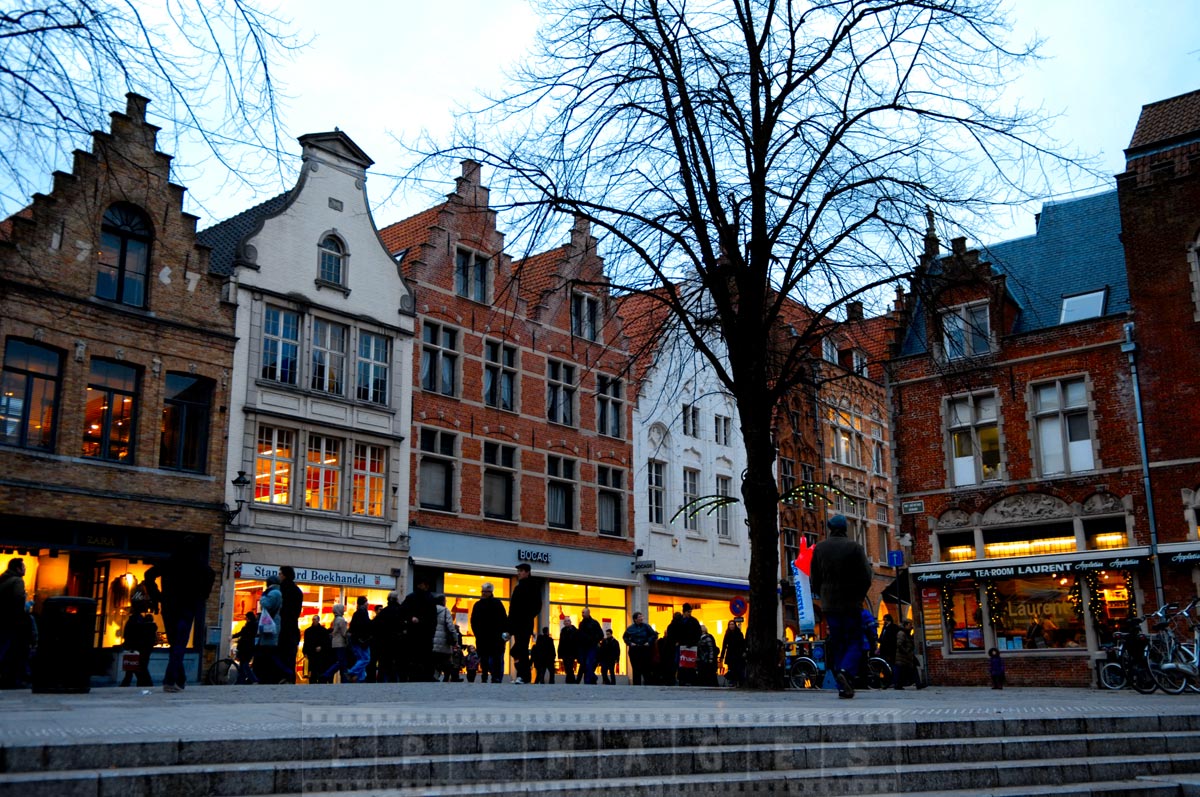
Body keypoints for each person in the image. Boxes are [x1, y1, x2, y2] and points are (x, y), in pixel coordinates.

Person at [809, 514, 872, 699]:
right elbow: (866, 575)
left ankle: (843, 684)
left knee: (838, 642)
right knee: (855, 641)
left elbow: (814, 578)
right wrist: (859, 595)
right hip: (851, 603)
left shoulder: (820, 548)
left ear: (830, 528)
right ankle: (846, 672)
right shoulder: (855, 548)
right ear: (845, 529)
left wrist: (823, 595)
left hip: (830, 604)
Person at [144, 546, 216, 693]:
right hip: (187, 607)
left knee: (175, 643)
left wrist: (157, 596)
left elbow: (149, 574)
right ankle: (172, 680)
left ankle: (179, 679)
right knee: (179, 643)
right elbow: (211, 574)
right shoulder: (198, 564)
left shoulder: (170, 562)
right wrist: (202, 596)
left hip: (170, 606)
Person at [508, 563, 542, 684]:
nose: (519, 573)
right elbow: (512, 608)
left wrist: (528, 616)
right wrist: (509, 625)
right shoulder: (518, 588)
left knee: (520, 649)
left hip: (525, 624)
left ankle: (522, 675)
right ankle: (524, 675)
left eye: (521, 571)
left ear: (527, 572)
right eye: (518, 571)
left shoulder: (534, 586)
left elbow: (538, 606)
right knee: (518, 650)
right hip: (517, 624)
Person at [0, 558, 30, 689]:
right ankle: (13, 679)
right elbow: (18, 600)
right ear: (18, 569)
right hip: (11, 621)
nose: (25, 569)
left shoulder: (3, 579)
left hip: (2, 620)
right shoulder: (17, 581)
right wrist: (23, 614)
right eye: (23, 567)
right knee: (13, 650)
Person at [470, 582, 508, 684]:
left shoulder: (496, 604)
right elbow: (473, 621)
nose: (483, 593)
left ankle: (494, 677)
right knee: (485, 658)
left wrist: (503, 634)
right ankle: (485, 676)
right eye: (482, 591)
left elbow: (504, 620)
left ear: (490, 592)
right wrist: (477, 633)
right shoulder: (478, 605)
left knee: (494, 658)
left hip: (494, 637)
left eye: (485, 592)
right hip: (484, 636)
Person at [399, 580, 438, 681]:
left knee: (422, 654)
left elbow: (433, 617)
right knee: (419, 654)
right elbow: (402, 611)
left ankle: (423, 675)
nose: (425, 586)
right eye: (424, 584)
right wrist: (411, 618)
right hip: (417, 632)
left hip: (422, 631)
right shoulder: (414, 597)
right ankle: (420, 675)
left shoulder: (428, 598)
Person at [253, 575, 284, 684]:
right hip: (270, 626)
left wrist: (262, 597)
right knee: (267, 654)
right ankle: (267, 677)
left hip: (270, 627)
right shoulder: (275, 592)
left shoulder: (274, 593)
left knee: (267, 654)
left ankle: (269, 677)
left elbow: (266, 604)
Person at [276, 566, 303, 684]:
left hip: (281, 628)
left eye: (280, 574)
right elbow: (297, 612)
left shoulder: (280, 590)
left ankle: (281, 676)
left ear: (284, 575)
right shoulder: (297, 591)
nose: (279, 576)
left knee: (279, 654)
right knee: (290, 657)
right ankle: (289, 678)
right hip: (292, 628)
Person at [119, 604, 157, 687]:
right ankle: (143, 682)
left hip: (137, 647)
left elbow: (129, 634)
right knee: (139, 666)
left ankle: (139, 682)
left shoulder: (135, 621)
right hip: (143, 648)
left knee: (135, 666)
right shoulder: (148, 626)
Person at [372, 592, 405, 683]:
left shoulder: (384, 612)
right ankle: (396, 679)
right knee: (397, 661)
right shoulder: (400, 610)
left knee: (384, 662)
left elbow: (375, 626)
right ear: (397, 599)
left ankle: (382, 679)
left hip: (384, 641)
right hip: (397, 640)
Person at [622, 612, 658, 686]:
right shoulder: (630, 628)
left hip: (644, 649)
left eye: (642, 617)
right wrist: (630, 643)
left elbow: (654, 635)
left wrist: (648, 642)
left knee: (646, 668)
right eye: (639, 617)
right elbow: (625, 637)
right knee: (636, 668)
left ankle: (648, 684)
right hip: (635, 649)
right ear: (635, 619)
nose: (641, 618)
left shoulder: (646, 626)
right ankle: (637, 685)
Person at [431, 594, 461, 682]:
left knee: (434, 660)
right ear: (443, 601)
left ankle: (435, 676)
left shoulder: (430, 610)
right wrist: (455, 639)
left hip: (432, 640)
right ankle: (449, 677)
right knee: (446, 660)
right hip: (443, 641)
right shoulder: (445, 611)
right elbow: (450, 626)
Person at [674, 603, 702, 686]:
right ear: (684, 612)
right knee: (682, 664)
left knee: (690, 663)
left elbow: (698, 633)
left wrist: (692, 642)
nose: (689, 614)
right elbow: (674, 631)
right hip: (681, 645)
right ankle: (682, 680)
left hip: (691, 645)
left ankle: (690, 680)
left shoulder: (694, 621)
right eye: (688, 612)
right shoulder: (679, 621)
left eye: (690, 612)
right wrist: (676, 641)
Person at [346, 596, 373, 682]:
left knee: (360, 658)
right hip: (361, 640)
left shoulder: (357, 613)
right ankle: (352, 672)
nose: (367, 603)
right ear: (363, 603)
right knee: (365, 659)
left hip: (356, 640)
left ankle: (361, 678)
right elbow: (364, 626)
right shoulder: (363, 613)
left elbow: (353, 627)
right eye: (366, 602)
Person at [320, 604, 349, 683]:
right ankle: (327, 674)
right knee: (341, 662)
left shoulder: (335, 619)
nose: (344, 610)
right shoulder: (341, 620)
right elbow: (344, 633)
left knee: (342, 662)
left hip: (335, 643)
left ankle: (345, 679)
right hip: (341, 643)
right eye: (343, 609)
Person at [577, 608, 604, 685]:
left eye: (584, 612)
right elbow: (580, 636)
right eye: (582, 612)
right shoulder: (581, 624)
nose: (582, 614)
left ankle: (589, 680)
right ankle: (591, 678)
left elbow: (601, 634)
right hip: (584, 647)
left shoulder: (594, 623)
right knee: (585, 664)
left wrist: (594, 639)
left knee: (588, 663)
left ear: (588, 613)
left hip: (592, 646)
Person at [303, 615, 333, 683]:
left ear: (318, 620)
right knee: (312, 673)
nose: (314, 621)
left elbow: (326, 643)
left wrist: (321, 647)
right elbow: (306, 642)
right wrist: (305, 652)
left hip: (320, 655)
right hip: (311, 654)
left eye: (315, 619)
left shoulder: (323, 631)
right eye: (313, 619)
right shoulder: (308, 631)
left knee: (320, 672)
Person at [233, 610, 259, 684]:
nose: (246, 619)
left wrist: (232, 636)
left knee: (244, 665)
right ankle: (240, 681)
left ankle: (254, 679)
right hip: (248, 647)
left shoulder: (250, 625)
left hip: (246, 648)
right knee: (242, 665)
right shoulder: (253, 625)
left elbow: (242, 633)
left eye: (246, 617)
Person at [720, 617, 746, 687]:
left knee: (738, 668)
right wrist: (722, 656)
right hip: (730, 654)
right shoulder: (727, 634)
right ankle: (732, 682)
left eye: (732, 624)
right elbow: (724, 645)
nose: (731, 626)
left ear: (735, 625)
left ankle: (739, 682)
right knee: (731, 669)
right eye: (730, 624)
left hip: (738, 654)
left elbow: (742, 643)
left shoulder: (739, 634)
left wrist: (744, 652)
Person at [558, 616, 580, 684]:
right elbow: (561, 642)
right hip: (565, 652)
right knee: (567, 667)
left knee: (569, 666)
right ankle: (570, 680)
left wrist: (577, 653)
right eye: (565, 621)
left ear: (570, 622)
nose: (566, 622)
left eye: (568, 621)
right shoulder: (563, 630)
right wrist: (559, 652)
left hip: (571, 652)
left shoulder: (575, 630)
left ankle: (571, 680)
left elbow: (577, 642)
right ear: (564, 623)